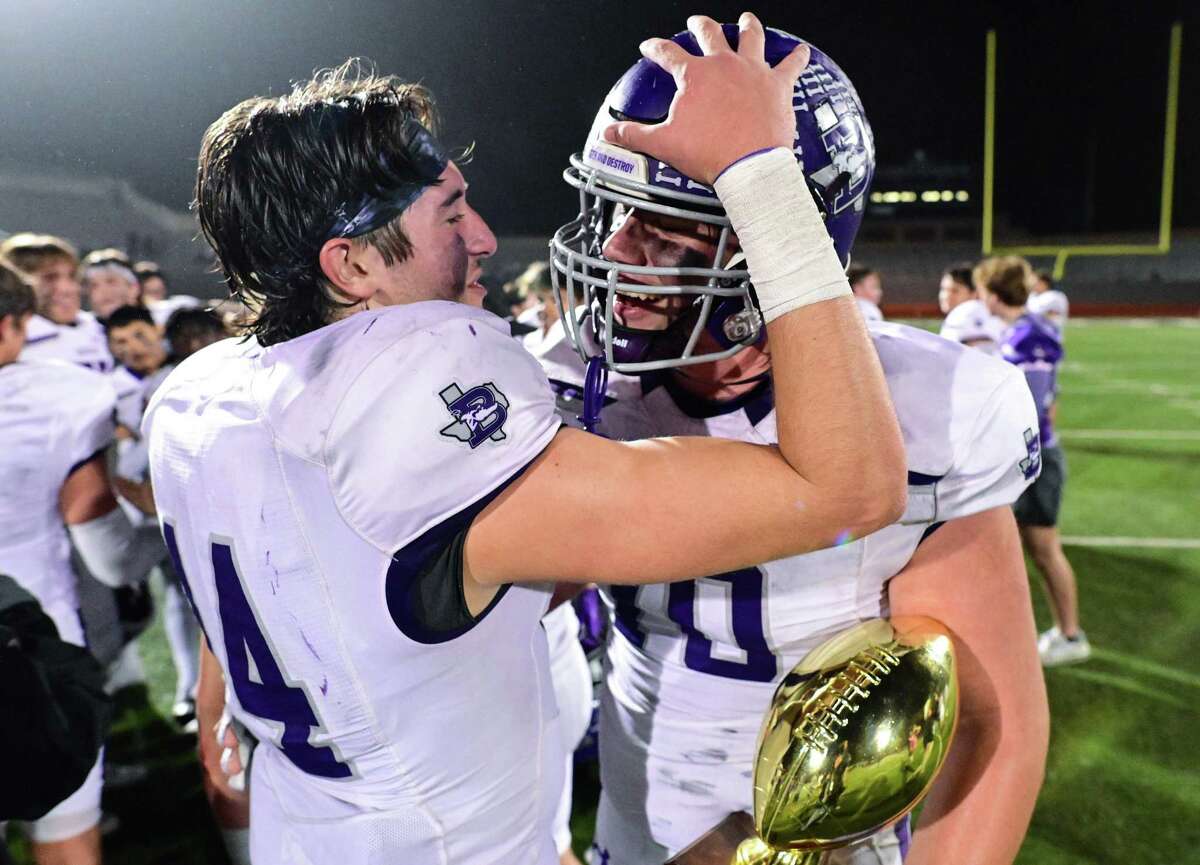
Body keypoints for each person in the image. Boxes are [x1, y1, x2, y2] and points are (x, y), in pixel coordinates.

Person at [148, 18, 906, 865]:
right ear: (352, 266)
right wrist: (762, 179)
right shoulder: (409, 399)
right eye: (452, 212)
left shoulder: (201, 394)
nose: (481, 239)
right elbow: (851, 488)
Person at [547, 23, 1049, 865]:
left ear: (778, 244)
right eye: (614, 210)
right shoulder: (568, 385)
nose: (613, 251)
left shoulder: (928, 405)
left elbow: (993, 721)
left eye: (665, 233)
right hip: (631, 839)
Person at [0, 260, 162, 865]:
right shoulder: (60, 395)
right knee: (66, 834)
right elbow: (112, 556)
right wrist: (174, 529)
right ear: (11, 325)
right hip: (32, 644)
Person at [975, 256, 1089, 666]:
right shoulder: (1026, 331)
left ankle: (1071, 635)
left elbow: (1035, 411)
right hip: (1030, 457)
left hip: (1031, 460)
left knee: (1043, 549)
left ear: (992, 292)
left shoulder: (1025, 337)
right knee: (1014, 548)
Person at [0, 233, 113, 372]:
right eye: (50, 278)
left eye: (72, 276)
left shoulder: (101, 329)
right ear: (16, 283)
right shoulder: (10, 342)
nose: (67, 289)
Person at [938, 261, 1002, 354]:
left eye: (955, 290)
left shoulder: (979, 314)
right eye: (944, 289)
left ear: (974, 293)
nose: (946, 296)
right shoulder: (954, 318)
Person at [134, 260, 203, 328]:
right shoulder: (133, 317)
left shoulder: (183, 303)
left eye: (159, 290)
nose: (156, 296)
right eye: (150, 292)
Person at [79, 249, 140, 322]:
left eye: (111, 282)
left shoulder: (155, 326)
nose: (103, 291)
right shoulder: (77, 330)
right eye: (94, 285)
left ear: (133, 288)